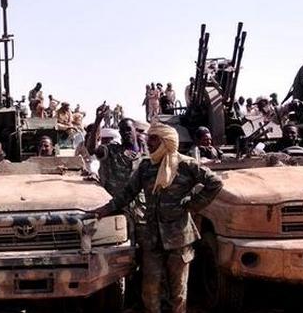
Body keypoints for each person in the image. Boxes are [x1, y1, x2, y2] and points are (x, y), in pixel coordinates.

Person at [94, 123, 223, 313]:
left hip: (179, 238)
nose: (148, 142)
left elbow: (215, 183)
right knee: (150, 290)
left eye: (154, 138)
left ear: (165, 141)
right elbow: (127, 193)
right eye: (149, 137)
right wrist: (104, 209)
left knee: (178, 292)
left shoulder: (186, 165)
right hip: (153, 239)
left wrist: (193, 204)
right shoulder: (147, 166)